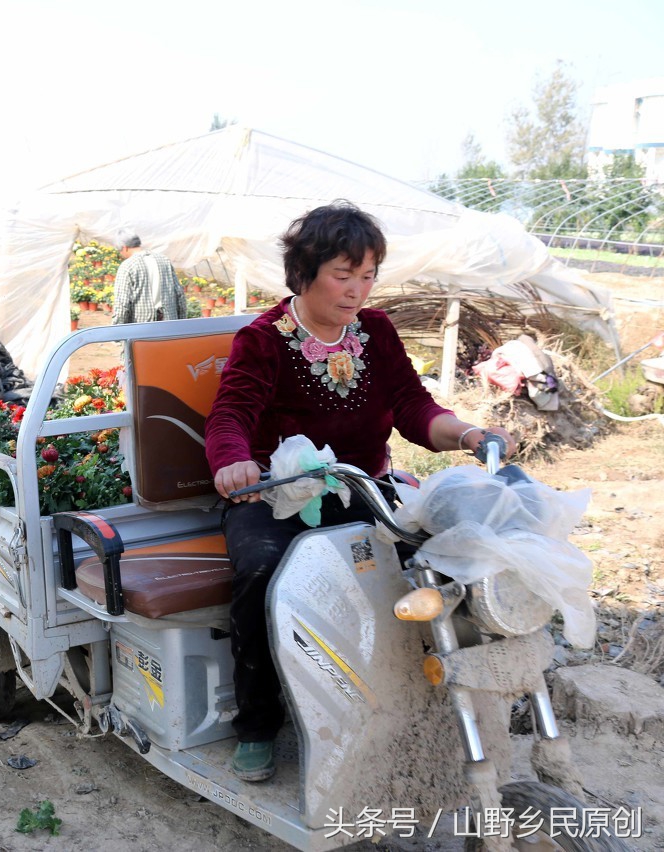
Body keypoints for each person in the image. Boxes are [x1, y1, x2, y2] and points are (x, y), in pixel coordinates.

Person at [203, 201, 517, 783]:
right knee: (260, 571)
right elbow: (230, 416)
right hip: (279, 496)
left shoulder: (376, 332)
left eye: (368, 275)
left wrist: (469, 433)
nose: (357, 291)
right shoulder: (264, 340)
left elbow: (415, 408)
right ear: (304, 272)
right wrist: (234, 463)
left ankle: (422, 701)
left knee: (433, 567)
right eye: (342, 275)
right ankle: (257, 722)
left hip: (364, 492)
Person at [111, 229, 186, 324]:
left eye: (120, 251)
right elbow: (180, 295)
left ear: (125, 248)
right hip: (169, 326)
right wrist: (181, 322)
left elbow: (122, 305)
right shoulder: (164, 260)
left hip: (142, 329)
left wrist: (117, 332)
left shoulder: (127, 266)